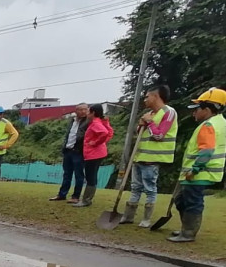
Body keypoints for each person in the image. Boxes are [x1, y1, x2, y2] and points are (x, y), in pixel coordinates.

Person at [167, 88, 226, 243]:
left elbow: (206, 151)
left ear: (207, 109)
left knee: (192, 202)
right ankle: (186, 229)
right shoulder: (220, 122)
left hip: (200, 173)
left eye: (196, 109)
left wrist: (195, 170)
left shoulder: (208, 125)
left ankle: (188, 233)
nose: (194, 113)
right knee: (181, 200)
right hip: (204, 172)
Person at [121, 84, 179, 227]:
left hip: (152, 159)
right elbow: (140, 133)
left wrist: (149, 122)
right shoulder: (150, 114)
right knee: (135, 187)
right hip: (139, 157)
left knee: (150, 189)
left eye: (147, 96)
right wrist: (141, 124)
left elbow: (159, 135)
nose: (145, 100)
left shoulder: (169, 112)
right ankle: (128, 216)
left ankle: (146, 219)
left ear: (156, 96)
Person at [72, 104, 114, 207]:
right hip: (99, 153)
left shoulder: (95, 123)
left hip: (93, 154)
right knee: (93, 176)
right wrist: (102, 142)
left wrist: (95, 142)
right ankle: (88, 199)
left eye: (89, 112)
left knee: (90, 176)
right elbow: (109, 132)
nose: (87, 114)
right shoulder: (100, 122)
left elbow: (104, 133)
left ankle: (86, 200)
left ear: (93, 113)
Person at [50, 103, 90, 202]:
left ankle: (76, 196)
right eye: (80, 109)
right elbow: (69, 135)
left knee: (78, 175)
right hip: (68, 150)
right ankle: (62, 194)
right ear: (76, 111)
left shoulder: (89, 122)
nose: (83, 111)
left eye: (85, 109)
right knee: (67, 174)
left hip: (78, 152)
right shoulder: (72, 121)